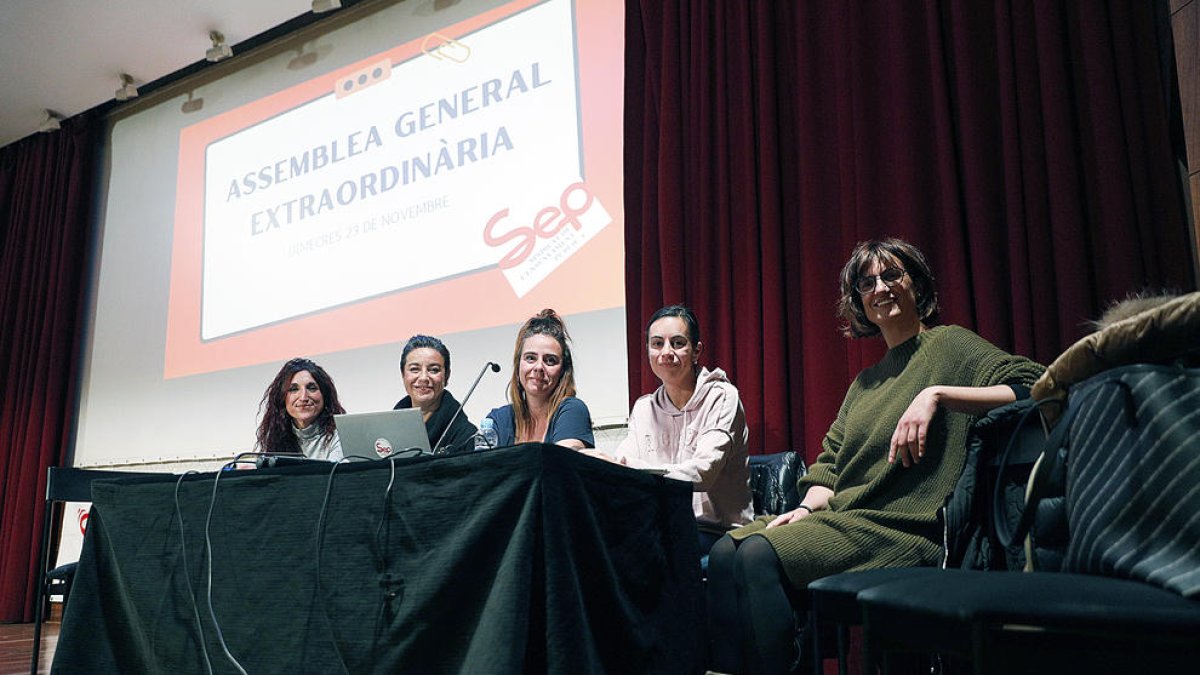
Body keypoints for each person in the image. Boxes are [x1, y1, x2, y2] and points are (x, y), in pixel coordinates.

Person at [706, 239, 1044, 674]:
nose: (880, 288)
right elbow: (829, 464)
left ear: (916, 284)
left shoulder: (950, 346)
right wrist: (806, 508)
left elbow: (1033, 385)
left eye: (892, 275)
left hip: (906, 526)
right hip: (849, 519)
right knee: (722, 552)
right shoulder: (864, 383)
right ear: (858, 301)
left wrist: (936, 394)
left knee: (755, 553)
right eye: (867, 282)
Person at [601, 305, 753, 551]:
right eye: (657, 343)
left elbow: (703, 473)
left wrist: (633, 468)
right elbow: (621, 467)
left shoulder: (722, 396)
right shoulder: (644, 408)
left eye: (678, 343)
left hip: (718, 532)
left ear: (696, 351)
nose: (666, 352)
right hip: (662, 527)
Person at [484, 309, 595, 448]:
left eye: (550, 360)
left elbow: (562, 466)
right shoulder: (499, 420)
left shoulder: (572, 410)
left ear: (563, 372)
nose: (538, 367)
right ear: (518, 366)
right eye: (530, 358)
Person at [393, 334, 478, 454]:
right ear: (403, 375)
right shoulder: (389, 431)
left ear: (447, 376)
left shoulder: (466, 436)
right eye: (414, 369)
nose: (423, 377)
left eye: (433, 370)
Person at [256, 357, 346, 461]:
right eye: (293, 389)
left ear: (325, 395)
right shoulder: (276, 438)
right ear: (282, 398)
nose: (303, 397)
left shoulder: (341, 435)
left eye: (311, 388)